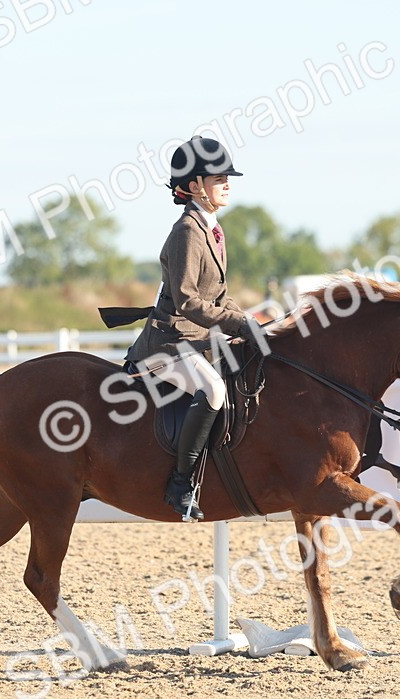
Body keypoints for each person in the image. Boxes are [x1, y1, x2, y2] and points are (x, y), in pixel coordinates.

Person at [124, 136, 262, 521]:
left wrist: (256, 323)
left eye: (227, 177)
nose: (227, 183)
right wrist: (239, 323)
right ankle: (180, 483)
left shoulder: (214, 231)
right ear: (195, 186)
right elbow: (187, 300)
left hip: (196, 341)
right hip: (167, 344)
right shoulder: (187, 231)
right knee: (214, 389)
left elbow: (219, 297)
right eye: (219, 178)